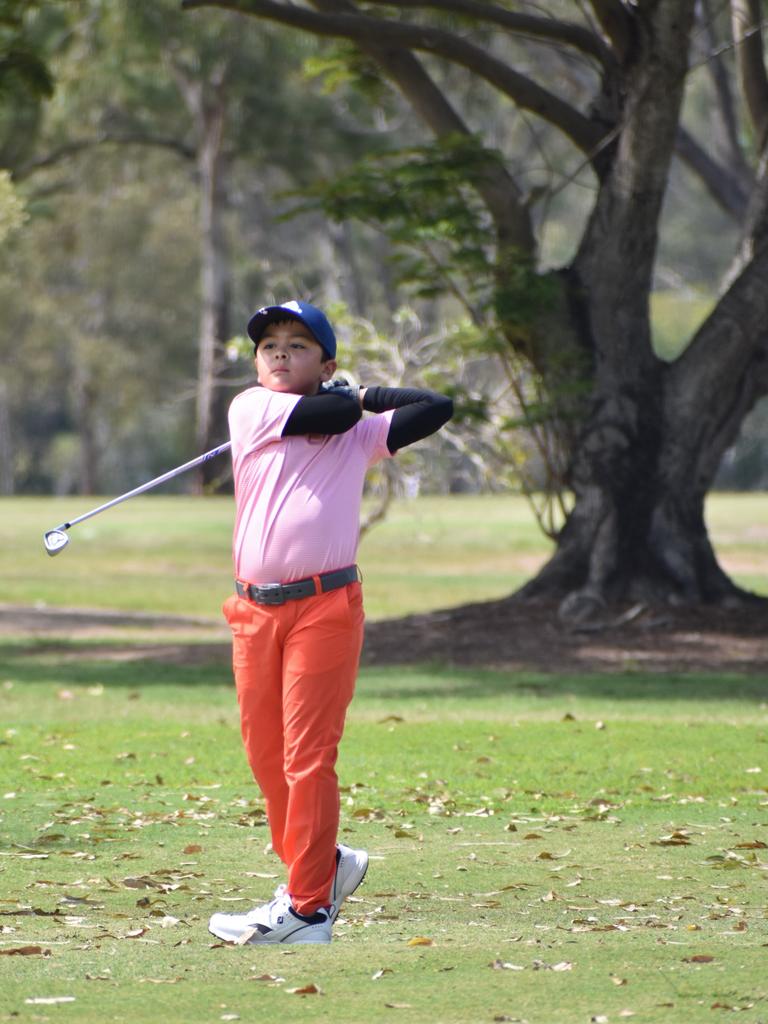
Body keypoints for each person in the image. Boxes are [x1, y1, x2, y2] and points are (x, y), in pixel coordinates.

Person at [208, 300, 453, 945]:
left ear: (327, 362)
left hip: (326, 607)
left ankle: (308, 909)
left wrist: (363, 392)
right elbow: (333, 410)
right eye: (270, 347)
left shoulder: (356, 429)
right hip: (253, 609)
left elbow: (436, 406)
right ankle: (328, 863)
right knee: (267, 758)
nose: (279, 354)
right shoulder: (252, 409)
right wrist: (347, 397)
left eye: (297, 344)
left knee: (306, 758)